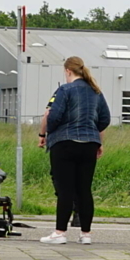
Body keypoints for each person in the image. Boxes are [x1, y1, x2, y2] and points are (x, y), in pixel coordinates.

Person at [39, 56, 111, 245]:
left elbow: (53, 116)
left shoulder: (65, 90)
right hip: (89, 144)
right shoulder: (96, 91)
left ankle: (60, 232)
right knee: (84, 189)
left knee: (65, 190)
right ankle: (85, 234)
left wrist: (49, 133)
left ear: (68, 71)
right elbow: (105, 118)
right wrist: (93, 134)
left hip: (64, 143)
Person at [39, 93, 79, 229]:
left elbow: (47, 115)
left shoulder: (60, 94)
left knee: (60, 179)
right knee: (81, 180)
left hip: (60, 141)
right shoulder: (91, 93)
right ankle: (80, 215)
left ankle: (64, 217)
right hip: (86, 141)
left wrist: (42, 134)